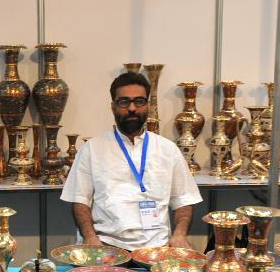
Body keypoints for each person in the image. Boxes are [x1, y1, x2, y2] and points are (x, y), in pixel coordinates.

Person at [61, 72, 202, 251]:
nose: (132, 108)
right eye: (124, 101)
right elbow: (80, 201)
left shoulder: (168, 149)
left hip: (157, 247)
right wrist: (90, 237)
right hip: (107, 245)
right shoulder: (92, 149)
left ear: (147, 106)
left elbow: (183, 200)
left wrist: (180, 235)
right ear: (113, 107)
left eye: (139, 101)